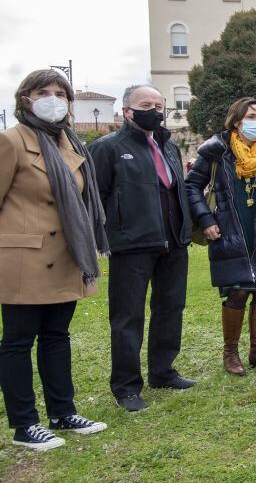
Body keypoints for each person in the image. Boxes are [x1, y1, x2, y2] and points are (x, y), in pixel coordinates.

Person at [0, 69, 109, 450]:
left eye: (60, 93)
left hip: (65, 255)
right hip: (23, 258)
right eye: (43, 91)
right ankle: (24, 424)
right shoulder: (12, 142)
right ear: (25, 98)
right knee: (17, 341)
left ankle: (63, 412)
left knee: (56, 336)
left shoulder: (71, 143)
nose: (53, 99)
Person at [90, 84, 194, 413]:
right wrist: (106, 236)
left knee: (170, 308)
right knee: (127, 317)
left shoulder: (169, 145)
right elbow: (96, 197)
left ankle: (163, 371)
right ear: (128, 111)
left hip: (173, 242)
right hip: (132, 245)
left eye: (159, 105)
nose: (155, 110)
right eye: (146, 104)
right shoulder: (108, 147)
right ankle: (126, 386)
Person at [185, 97, 256, 375]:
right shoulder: (216, 150)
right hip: (228, 228)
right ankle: (230, 354)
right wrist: (205, 219)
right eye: (251, 117)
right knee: (237, 290)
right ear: (236, 121)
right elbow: (191, 187)